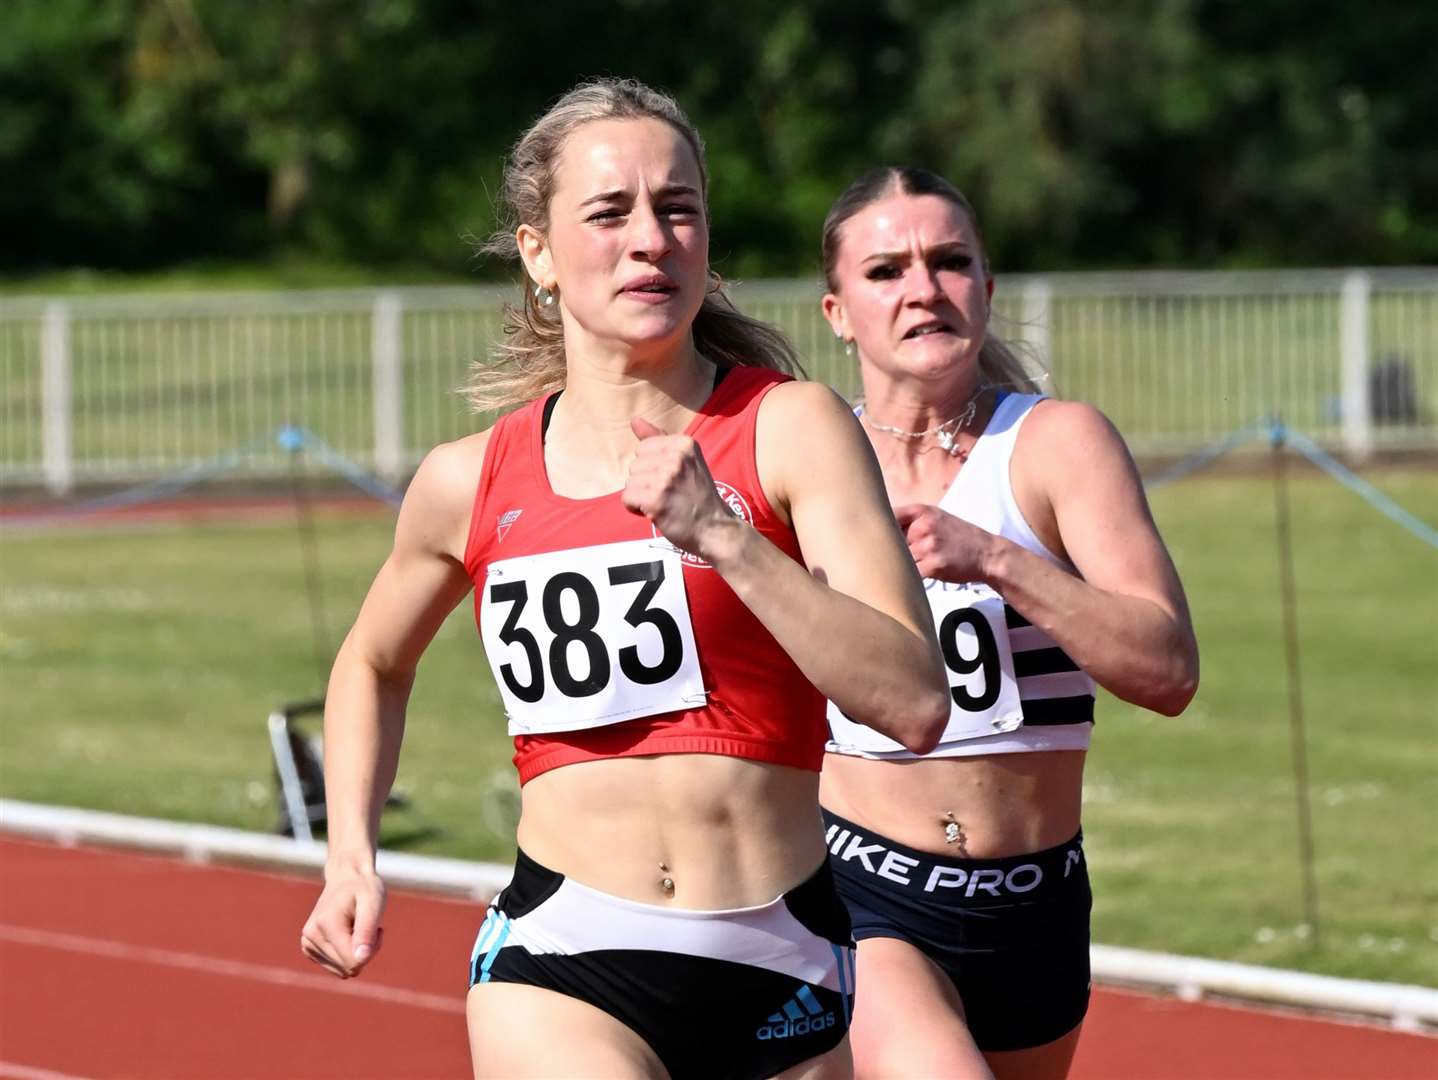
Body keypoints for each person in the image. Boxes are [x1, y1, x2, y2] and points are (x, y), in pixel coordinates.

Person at [299, 82, 951, 1080]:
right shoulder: (464, 482)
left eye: (677, 207)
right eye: (609, 213)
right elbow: (373, 661)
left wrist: (724, 538)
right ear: (539, 255)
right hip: (563, 953)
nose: (650, 238)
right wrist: (351, 855)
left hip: (780, 952)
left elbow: (911, 700)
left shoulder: (791, 429)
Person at [817, 165, 1200, 1080]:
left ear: (987, 287)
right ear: (838, 313)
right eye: (886, 271)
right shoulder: (811, 454)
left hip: (1037, 907)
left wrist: (997, 559)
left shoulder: (1058, 444)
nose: (923, 289)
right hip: (862, 896)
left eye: (950, 262)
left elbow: (1168, 669)